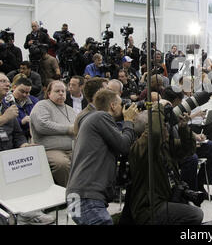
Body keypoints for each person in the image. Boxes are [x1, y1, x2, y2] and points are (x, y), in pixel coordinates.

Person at [66, 89, 138, 225]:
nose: (123, 108)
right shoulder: (100, 117)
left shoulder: (94, 120)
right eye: (121, 104)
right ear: (113, 105)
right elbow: (123, 145)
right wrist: (129, 121)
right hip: (86, 197)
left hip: (78, 197)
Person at [123, 106, 204, 225]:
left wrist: (183, 128)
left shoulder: (164, 146)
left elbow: (188, 149)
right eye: (162, 126)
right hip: (150, 208)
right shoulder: (139, 150)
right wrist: (158, 108)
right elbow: (155, 133)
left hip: (167, 199)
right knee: (195, 214)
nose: (166, 128)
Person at [0, 72, 55, 225]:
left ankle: (30, 212)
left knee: (32, 158)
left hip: (8, 154)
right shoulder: (8, 111)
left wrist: (23, 145)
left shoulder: (6, 106)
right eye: (2, 81)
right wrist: (4, 118)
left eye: (7, 81)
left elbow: (17, 134)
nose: (7, 84)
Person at [30, 80, 76, 187]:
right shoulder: (42, 105)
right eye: (57, 91)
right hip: (49, 149)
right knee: (62, 164)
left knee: (86, 159)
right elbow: (42, 125)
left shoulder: (70, 109)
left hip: (71, 148)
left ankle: (84, 190)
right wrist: (68, 129)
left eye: (63, 91)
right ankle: (69, 191)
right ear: (49, 93)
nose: (61, 93)